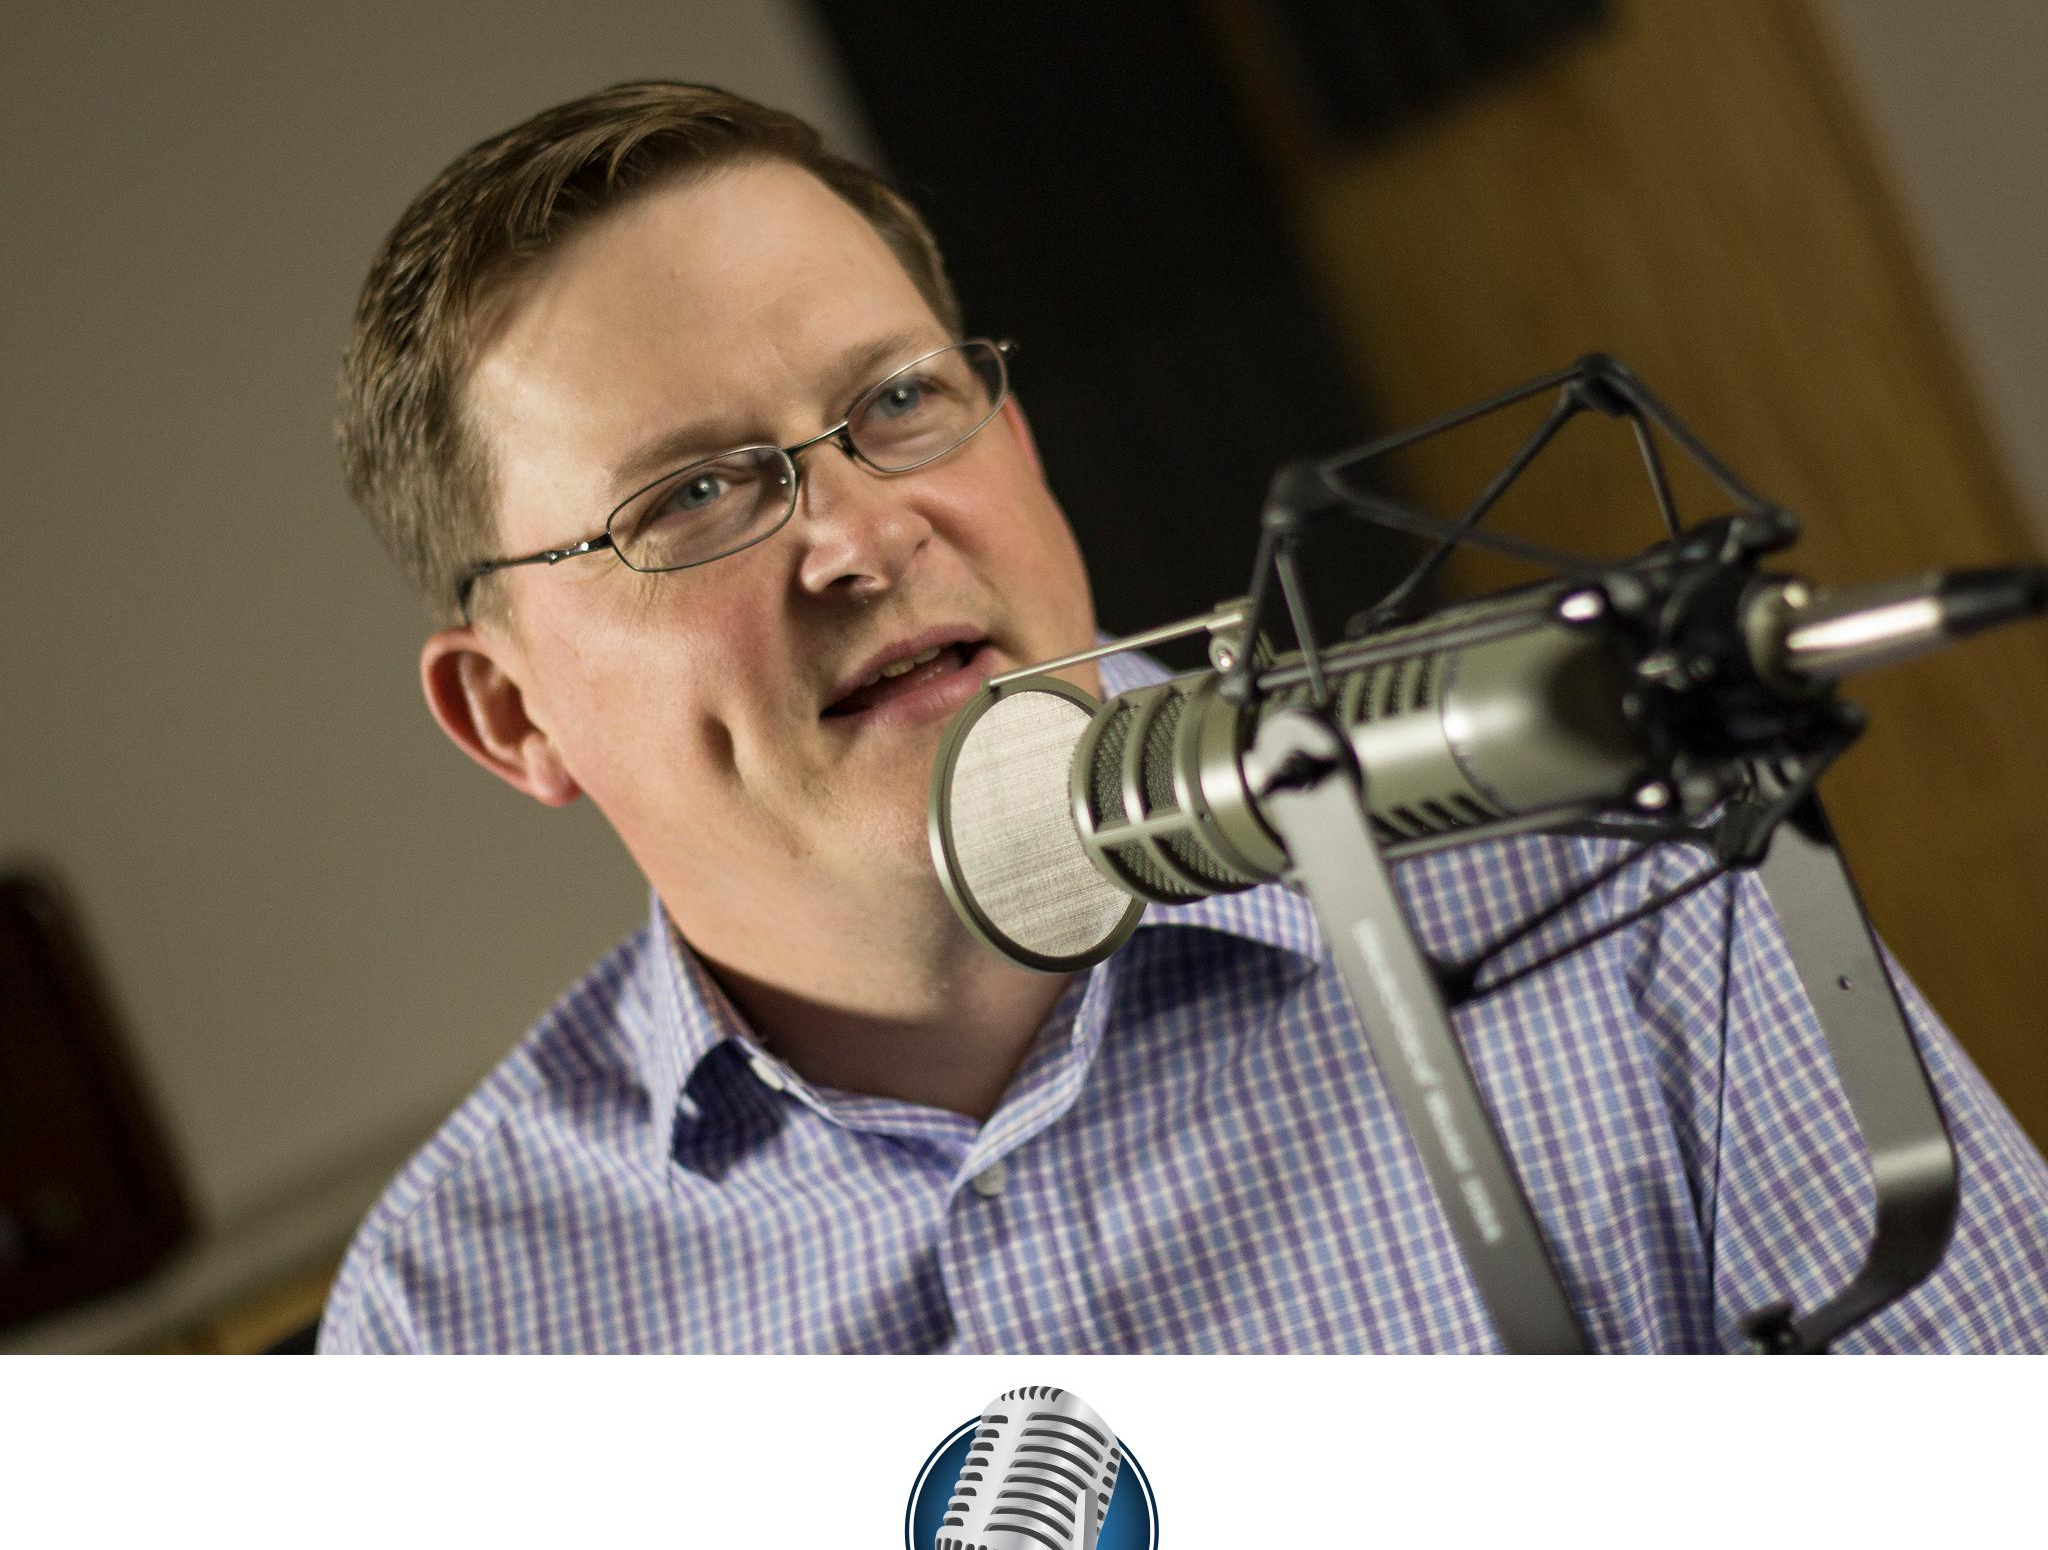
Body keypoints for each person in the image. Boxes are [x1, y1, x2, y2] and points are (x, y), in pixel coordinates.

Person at [319, 81, 2048, 1354]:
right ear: (510, 714)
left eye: (900, 401)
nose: (861, 538)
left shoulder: (1608, 872)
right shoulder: (450, 1321)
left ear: (1020, 445)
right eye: (693, 496)